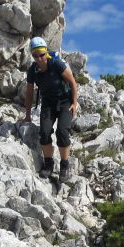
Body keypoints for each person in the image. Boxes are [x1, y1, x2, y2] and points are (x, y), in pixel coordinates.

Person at [23, 36, 79, 181]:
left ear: (46, 52)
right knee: (45, 132)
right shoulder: (32, 71)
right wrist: (27, 115)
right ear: (32, 55)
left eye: (42, 54)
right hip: (48, 104)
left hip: (65, 102)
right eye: (36, 55)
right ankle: (48, 164)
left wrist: (74, 103)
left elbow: (72, 82)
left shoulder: (57, 64)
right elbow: (29, 94)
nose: (39, 58)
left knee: (62, 132)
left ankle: (65, 166)